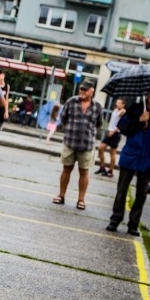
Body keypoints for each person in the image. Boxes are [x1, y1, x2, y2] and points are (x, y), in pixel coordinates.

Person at [106, 85, 150, 235]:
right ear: (147, 93)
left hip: (147, 159)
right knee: (122, 190)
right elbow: (123, 127)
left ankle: (133, 223)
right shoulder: (136, 108)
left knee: (142, 193)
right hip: (131, 155)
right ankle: (115, 219)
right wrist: (139, 120)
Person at [53, 81, 103, 210]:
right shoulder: (71, 102)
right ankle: (61, 195)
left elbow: (99, 124)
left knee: (84, 172)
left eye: (85, 90)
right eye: (81, 89)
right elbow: (63, 119)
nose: (82, 92)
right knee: (66, 169)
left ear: (92, 91)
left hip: (87, 145)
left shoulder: (97, 106)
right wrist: (71, 130)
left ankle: (81, 200)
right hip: (70, 142)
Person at [95, 98, 126, 178]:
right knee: (100, 148)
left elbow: (122, 123)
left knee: (112, 153)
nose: (117, 104)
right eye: (117, 102)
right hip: (109, 132)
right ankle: (102, 167)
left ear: (123, 105)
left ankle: (110, 171)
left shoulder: (123, 112)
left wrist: (114, 131)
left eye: (119, 103)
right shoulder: (115, 110)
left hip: (115, 134)